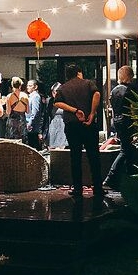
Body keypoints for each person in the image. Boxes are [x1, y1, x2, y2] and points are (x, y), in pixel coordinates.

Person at [53, 63, 104, 198]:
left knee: (75, 157)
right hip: (89, 124)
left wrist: (74, 111)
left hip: (72, 125)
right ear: (79, 73)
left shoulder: (63, 88)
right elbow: (97, 94)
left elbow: (57, 103)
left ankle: (77, 188)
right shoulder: (88, 83)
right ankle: (98, 187)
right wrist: (92, 113)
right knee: (94, 156)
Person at [103, 65, 138, 190]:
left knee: (127, 150)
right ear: (130, 76)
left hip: (117, 122)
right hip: (127, 122)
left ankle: (129, 178)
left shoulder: (114, 91)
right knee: (125, 150)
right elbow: (133, 109)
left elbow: (113, 109)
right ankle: (110, 178)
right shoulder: (130, 90)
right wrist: (137, 125)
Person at [45, 82, 67, 149]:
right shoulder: (49, 101)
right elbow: (46, 115)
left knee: (62, 147)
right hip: (53, 125)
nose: (55, 94)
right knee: (52, 147)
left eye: (57, 92)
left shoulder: (66, 101)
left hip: (63, 125)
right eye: (53, 92)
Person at [25, 79, 45, 149]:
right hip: (28, 123)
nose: (28, 87)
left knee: (33, 145)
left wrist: (30, 123)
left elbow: (35, 112)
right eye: (27, 85)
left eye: (30, 86)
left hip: (32, 126)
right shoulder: (30, 96)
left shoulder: (35, 96)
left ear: (35, 87)